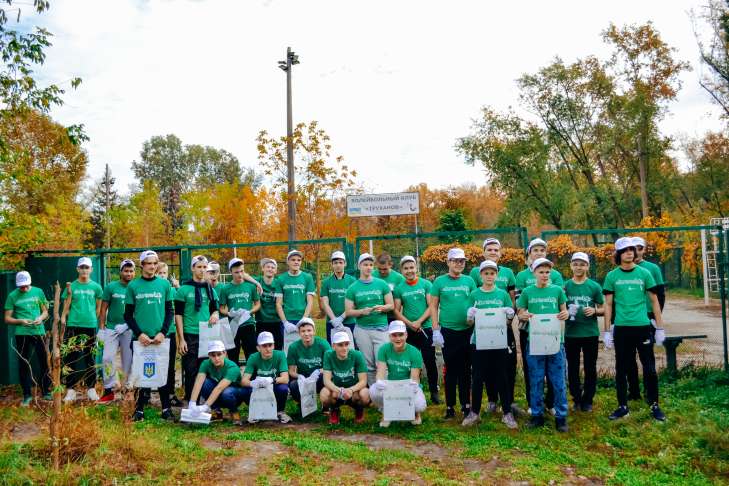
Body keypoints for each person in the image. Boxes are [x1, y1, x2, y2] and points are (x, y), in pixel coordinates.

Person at [603, 237, 667, 422]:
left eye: (631, 249)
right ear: (618, 254)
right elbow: (608, 304)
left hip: (642, 327)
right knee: (621, 368)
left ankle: (654, 405)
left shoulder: (644, 273)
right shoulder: (611, 276)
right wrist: (607, 331)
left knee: (650, 368)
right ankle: (623, 406)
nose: (629, 253)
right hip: (622, 328)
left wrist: (660, 327)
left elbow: (654, 301)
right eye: (625, 250)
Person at [516, 257, 570, 432]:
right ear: (534, 273)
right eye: (541, 272)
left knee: (558, 381)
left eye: (548, 272)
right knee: (536, 380)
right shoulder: (527, 292)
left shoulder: (557, 291)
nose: (545, 275)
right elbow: (520, 312)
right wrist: (523, 315)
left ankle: (561, 417)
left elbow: (564, 310)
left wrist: (565, 314)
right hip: (535, 342)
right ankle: (537, 415)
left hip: (555, 341)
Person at [463, 260, 518, 429]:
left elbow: (508, 322)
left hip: (499, 341)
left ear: (496, 275)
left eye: (492, 273)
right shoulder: (474, 295)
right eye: (486, 273)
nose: (489, 276)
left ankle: (507, 412)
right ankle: (474, 412)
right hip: (479, 342)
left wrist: (510, 316)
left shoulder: (502, 295)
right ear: (481, 275)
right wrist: (470, 316)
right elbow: (468, 323)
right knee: (478, 377)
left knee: (502, 375)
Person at [124, 250, 175, 421]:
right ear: (142, 265)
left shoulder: (164, 285)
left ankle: (166, 408)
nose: (152, 266)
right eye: (149, 263)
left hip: (160, 338)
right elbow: (128, 315)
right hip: (141, 340)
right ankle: (139, 410)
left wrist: (163, 332)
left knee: (163, 371)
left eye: (155, 263)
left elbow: (170, 311)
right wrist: (139, 334)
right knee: (139, 372)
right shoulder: (133, 286)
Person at [515, 238, 563, 413]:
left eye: (542, 250)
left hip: (551, 330)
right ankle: (533, 403)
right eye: (535, 250)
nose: (539, 253)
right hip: (528, 329)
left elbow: (560, 301)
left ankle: (551, 403)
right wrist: (522, 314)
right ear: (529, 253)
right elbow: (519, 304)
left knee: (552, 368)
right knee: (532, 368)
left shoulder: (555, 275)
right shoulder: (521, 276)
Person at [429, 247, 477, 419]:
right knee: (450, 369)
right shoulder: (439, 282)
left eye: (462, 261)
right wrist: (436, 329)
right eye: (455, 261)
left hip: (467, 330)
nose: (459, 264)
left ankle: (466, 405)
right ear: (448, 262)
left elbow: (475, 302)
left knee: (466, 369)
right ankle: (450, 407)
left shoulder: (469, 281)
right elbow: (433, 306)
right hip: (448, 331)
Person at [392, 255, 439, 404]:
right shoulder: (399, 288)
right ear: (402, 270)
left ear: (416, 268)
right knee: (409, 362)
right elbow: (396, 311)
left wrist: (419, 322)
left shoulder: (426, 284)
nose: (409, 271)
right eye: (406, 268)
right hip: (409, 330)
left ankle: (434, 391)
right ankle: (411, 391)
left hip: (425, 328)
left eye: (411, 267)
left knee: (429, 360)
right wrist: (410, 324)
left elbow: (431, 306)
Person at [563, 252, 604, 412]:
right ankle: (576, 398)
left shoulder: (594, 286)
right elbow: (559, 306)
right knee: (572, 367)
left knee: (590, 367)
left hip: (590, 333)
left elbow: (604, 308)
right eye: (575, 264)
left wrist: (594, 311)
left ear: (587, 266)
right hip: (571, 333)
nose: (578, 267)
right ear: (571, 266)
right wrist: (566, 312)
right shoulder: (565, 286)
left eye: (582, 264)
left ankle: (588, 399)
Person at [175, 255, 220, 403]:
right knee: (191, 370)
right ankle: (191, 401)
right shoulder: (183, 289)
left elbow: (215, 309)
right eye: (199, 267)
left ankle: (206, 401)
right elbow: (178, 315)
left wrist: (215, 314)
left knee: (206, 368)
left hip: (207, 334)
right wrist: (181, 339)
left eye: (204, 267)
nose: (202, 270)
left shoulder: (210, 289)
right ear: (192, 268)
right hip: (190, 334)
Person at [345, 253, 394, 385]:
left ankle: (385, 393)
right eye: (365, 265)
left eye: (371, 265)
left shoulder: (382, 284)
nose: (368, 267)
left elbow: (391, 305)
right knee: (369, 365)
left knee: (382, 363)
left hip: (381, 329)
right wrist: (362, 311)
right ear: (359, 266)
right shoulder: (353, 288)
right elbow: (348, 311)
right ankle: (374, 392)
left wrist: (382, 308)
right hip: (363, 330)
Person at [4, 271, 50, 406]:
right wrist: (20, 321)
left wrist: (40, 318)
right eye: (21, 286)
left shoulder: (38, 291)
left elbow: (45, 311)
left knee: (44, 361)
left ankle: (46, 391)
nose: (23, 288)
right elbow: (7, 318)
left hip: (38, 331)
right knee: (24, 363)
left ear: (30, 282)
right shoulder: (12, 296)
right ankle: (27, 395)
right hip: (22, 333)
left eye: (26, 286)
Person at [369, 320, 427, 427]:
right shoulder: (384, 349)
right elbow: (380, 372)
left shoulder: (414, 352)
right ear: (389, 336)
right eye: (394, 335)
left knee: (419, 405)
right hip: (391, 385)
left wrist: (413, 386)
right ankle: (386, 412)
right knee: (373, 390)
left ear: (406, 335)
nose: (398, 338)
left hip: (408, 384)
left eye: (400, 335)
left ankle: (415, 413)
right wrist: (379, 381)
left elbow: (414, 378)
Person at [629, 236, 666, 401]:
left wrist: (657, 319)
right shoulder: (622, 269)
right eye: (633, 248)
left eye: (640, 247)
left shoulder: (652, 268)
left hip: (647, 318)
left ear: (644, 250)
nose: (636, 251)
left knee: (647, 357)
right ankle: (633, 392)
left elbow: (660, 295)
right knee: (629, 358)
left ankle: (650, 394)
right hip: (628, 318)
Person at [61, 257, 103, 403]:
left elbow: (98, 308)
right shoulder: (71, 287)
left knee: (89, 358)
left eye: (87, 267)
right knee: (71, 358)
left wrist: (91, 319)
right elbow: (66, 307)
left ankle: (91, 389)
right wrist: (64, 319)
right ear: (77, 269)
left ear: (91, 270)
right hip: (73, 325)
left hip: (90, 326)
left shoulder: (96, 287)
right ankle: (70, 390)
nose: (84, 270)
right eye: (82, 267)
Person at [97, 259, 135, 404]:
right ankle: (110, 389)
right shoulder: (111, 287)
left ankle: (127, 390)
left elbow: (139, 310)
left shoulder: (136, 287)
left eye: (131, 271)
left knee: (128, 360)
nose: (128, 273)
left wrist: (127, 325)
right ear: (120, 272)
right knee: (107, 358)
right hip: (112, 328)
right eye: (126, 271)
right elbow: (103, 309)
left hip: (129, 328)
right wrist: (101, 329)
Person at [187, 340, 245, 424]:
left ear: (225, 353)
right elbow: (198, 382)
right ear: (209, 356)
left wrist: (205, 406)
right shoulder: (205, 363)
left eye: (219, 354)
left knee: (226, 392)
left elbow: (219, 388)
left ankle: (234, 411)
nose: (216, 358)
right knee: (204, 383)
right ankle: (217, 412)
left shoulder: (232, 367)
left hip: (234, 395)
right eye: (213, 355)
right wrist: (192, 403)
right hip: (219, 392)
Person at [240, 331, 292, 423]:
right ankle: (255, 411)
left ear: (274, 346)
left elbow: (285, 379)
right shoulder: (253, 357)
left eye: (270, 345)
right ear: (258, 348)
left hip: (274, 385)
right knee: (244, 391)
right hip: (259, 386)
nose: (268, 349)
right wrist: (253, 383)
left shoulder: (280, 355)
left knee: (283, 389)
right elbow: (244, 381)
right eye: (264, 346)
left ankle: (280, 411)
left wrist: (272, 380)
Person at [321, 331, 370, 425]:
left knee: (365, 394)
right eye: (340, 345)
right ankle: (334, 410)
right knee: (324, 394)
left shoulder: (357, 355)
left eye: (346, 344)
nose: (344, 348)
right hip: (337, 389)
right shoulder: (328, 355)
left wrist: (351, 390)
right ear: (333, 346)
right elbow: (326, 380)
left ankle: (359, 410)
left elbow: (363, 381)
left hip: (354, 390)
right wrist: (339, 390)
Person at [219, 258, 261, 365]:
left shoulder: (250, 286)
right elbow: (221, 308)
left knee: (251, 354)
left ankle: (251, 375)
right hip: (233, 325)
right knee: (233, 355)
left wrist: (249, 312)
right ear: (231, 272)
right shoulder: (225, 288)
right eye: (236, 272)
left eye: (242, 271)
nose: (240, 274)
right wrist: (229, 313)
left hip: (248, 324)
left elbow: (258, 304)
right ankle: (234, 375)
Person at [287, 317, 331, 408]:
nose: (306, 334)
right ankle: (304, 404)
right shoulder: (293, 347)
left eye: (309, 330)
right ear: (299, 333)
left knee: (327, 378)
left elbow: (330, 366)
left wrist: (318, 371)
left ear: (314, 331)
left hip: (319, 376)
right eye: (303, 331)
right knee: (293, 385)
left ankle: (326, 405)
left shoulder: (323, 344)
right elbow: (291, 371)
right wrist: (299, 376)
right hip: (303, 378)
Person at [275, 250, 316, 343]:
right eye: (293, 260)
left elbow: (310, 301)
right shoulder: (281, 279)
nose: (296, 262)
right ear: (288, 262)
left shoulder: (307, 277)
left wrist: (304, 319)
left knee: (305, 346)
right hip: (288, 319)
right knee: (288, 348)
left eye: (299, 260)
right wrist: (285, 322)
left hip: (303, 318)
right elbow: (278, 303)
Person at [157, 261, 183, 407]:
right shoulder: (153, 290)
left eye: (164, 273)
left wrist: (177, 286)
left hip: (170, 332)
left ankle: (171, 393)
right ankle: (146, 393)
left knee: (170, 363)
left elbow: (182, 298)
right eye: (159, 273)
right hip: (156, 333)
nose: (162, 276)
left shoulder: (172, 290)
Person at [320, 251, 357, 344]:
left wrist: (341, 317)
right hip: (332, 322)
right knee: (333, 347)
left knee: (351, 347)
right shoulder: (326, 282)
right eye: (335, 263)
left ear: (345, 263)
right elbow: (325, 303)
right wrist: (334, 320)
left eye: (340, 262)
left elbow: (354, 303)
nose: (338, 265)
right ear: (332, 264)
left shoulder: (352, 281)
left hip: (350, 321)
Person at [255, 258, 283, 350]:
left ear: (275, 271)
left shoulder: (279, 283)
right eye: (267, 267)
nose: (270, 269)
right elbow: (243, 275)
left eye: (272, 267)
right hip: (261, 321)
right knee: (262, 349)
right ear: (262, 268)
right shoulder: (258, 280)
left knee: (277, 348)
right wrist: (256, 283)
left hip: (276, 321)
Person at [376, 253, 405, 323]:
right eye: (379, 269)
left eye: (385, 269)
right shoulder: (372, 276)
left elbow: (404, 299)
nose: (382, 272)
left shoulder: (399, 278)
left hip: (394, 316)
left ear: (390, 265)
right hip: (377, 316)